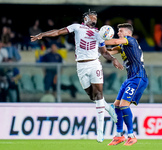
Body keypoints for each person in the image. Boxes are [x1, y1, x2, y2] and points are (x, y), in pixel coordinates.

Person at [30, 10, 124, 143]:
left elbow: (103, 52)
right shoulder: (76, 27)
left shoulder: (99, 34)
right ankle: (109, 108)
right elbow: (58, 31)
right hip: (81, 66)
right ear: (85, 18)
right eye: (92, 16)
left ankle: (100, 132)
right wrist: (42, 35)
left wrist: (113, 59)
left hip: (94, 64)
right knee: (93, 97)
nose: (94, 19)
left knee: (98, 95)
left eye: (96, 17)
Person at [105, 23, 148, 146]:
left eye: (120, 31)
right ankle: (119, 135)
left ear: (128, 33)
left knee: (124, 105)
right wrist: (94, 49)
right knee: (116, 105)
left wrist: (99, 38)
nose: (118, 33)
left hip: (138, 77)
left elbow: (113, 42)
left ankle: (131, 135)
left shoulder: (130, 40)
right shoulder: (123, 45)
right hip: (130, 79)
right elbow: (110, 51)